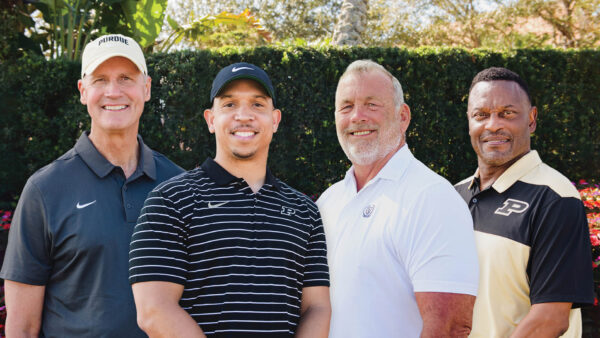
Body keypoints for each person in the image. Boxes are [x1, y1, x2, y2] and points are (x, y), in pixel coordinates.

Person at [0, 34, 184, 337]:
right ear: (83, 91)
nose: (113, 91)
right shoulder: (45, 190)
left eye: (126, 78)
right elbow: (22, 327)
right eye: (100, 80)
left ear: (146, 88)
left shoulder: (179, 185)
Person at [129, 62, 331, 337]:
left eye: (258, 104)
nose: (244, 116)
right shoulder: (170, 201)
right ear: (211, 119)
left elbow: (316, 308)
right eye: (230, 104)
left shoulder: (304, 211)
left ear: (275, 120)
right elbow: (154, 310)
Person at [316, 59, 479, 338]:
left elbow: (450, 327)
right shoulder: (328, 201)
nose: (357, 116)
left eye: (371, 104)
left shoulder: (432, 198)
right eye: (346, 106)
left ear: (403, 117)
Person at [455, 67, 595, 337]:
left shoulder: (556, 198)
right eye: (481, 115)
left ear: (531, 119)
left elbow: (550, 318)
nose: (493, 124)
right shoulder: (453, 196)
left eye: (507, 113)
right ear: (469, 121)